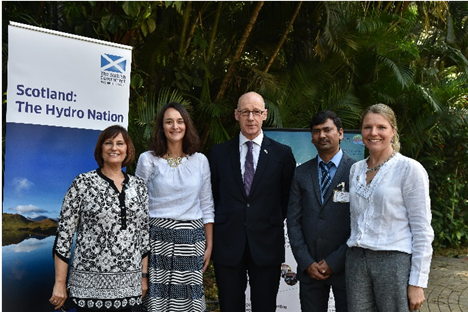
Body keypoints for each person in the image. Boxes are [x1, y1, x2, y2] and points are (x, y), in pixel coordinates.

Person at [209, 91, 296, 312]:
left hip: (266, 245)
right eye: (245, 112)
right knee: (229, 307)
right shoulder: (218, 154)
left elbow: (287, 199)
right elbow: (213, 195)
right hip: (228, 244)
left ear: (265, 115)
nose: (251, 117)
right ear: (236, 115)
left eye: (256, 112)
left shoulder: (282, 154)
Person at [49, 125, 150, 312]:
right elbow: (63, 237)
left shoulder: (139, 187)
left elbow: (143, 236)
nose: (114, 148)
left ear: (127, 149)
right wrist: (60, 283)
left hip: (130, 289)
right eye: (108, 143)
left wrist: (144, 277)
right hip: (88, 289)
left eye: (120, 143)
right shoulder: (82, 183)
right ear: (100, 149)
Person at [346, 103, 434, 312]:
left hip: (393, 261)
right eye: (367, 127)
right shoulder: (355, 169)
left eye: (381, 127)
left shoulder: (409, 169)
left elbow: (422, 230)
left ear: (393, 130)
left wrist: (417, 282)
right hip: (357, 261)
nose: (373, 133)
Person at [134, 102, 214, 312]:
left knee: (188, 303)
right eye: (169, 122)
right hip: (156, 240)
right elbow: (137, 208)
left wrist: (210, 244)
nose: (175, 126)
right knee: (155, 302)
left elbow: (207, 204)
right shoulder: (147, 159)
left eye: (180, 121)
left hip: (191, 239)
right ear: (161, 127)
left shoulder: (200, 160)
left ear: (187, 125)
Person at [287, 110, 356, 312]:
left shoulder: (357, 171)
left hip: (345, 268)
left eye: (328, 130)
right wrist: (307, 262)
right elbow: (293, 221)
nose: (322, 135)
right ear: (312, 137)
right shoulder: (301, 173)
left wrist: (334, 261)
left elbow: (361, 223)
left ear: (341, 133)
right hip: (310, 270)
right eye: (316, 131)